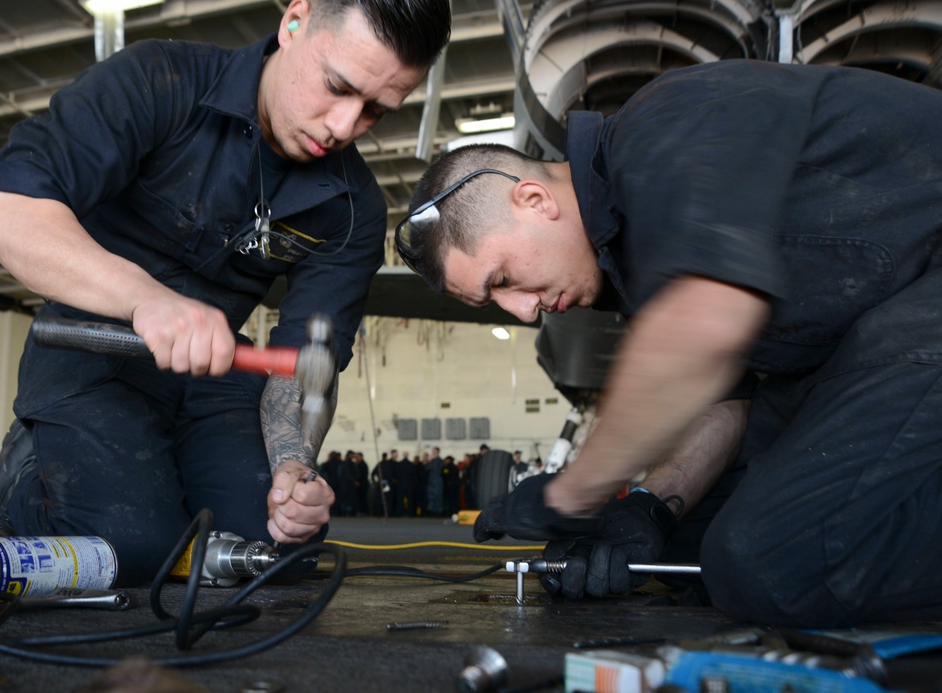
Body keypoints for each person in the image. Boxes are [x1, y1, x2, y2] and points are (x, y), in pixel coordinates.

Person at [395, 59, 942, 627]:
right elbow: (730, 401)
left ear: (534, 200)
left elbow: (707, 326)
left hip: (924, 305)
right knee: (691, 552)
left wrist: (571, 494)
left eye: (502, 280)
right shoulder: (635, 264)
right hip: (871, 344)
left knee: (766, 564)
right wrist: (649, 508)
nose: (522, 310)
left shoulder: (666, 124)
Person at [0, 0, 450, 586]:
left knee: (275, 556)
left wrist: (292, 471)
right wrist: (145, 299)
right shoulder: (158, 80)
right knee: (130, 550)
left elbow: (304, 363)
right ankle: (23, 482)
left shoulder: (352, 207)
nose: (343, 126)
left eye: (376, 111)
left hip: (214, 375)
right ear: (294, 22)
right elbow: (4, 215)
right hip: (93, 350)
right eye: (338, 87)